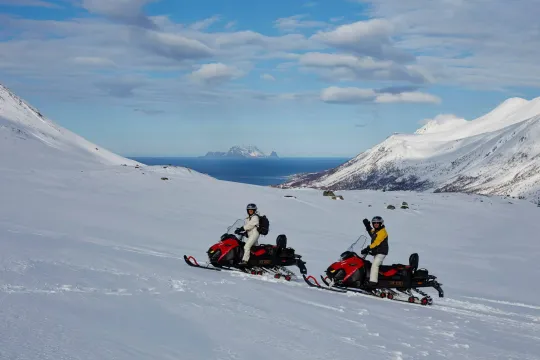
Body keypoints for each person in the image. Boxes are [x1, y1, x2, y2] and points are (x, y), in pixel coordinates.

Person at [360, 216, 389, 288]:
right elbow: (371, 233)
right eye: (374, 223)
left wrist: (368, 248)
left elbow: (377, 242)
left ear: (381, 223)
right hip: (377, 252)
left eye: (377, 223)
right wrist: (367, 226)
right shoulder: (377, 230)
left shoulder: (382, 232)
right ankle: (379, 281)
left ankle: (373, 282)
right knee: (375, 266)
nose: (375, 224)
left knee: (375, 265)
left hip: (381, 252)